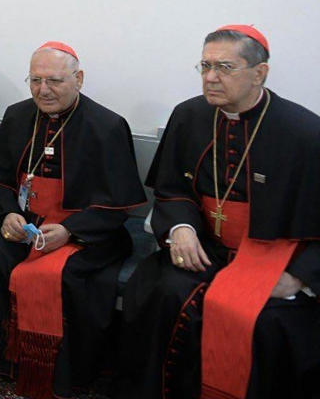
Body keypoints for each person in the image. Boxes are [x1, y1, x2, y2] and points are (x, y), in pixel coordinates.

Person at [118, 25, 320, 399]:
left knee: (267, 321)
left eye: (225, 67)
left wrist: (300, 277)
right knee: (162, 294)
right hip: (204, 248)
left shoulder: (305, 133)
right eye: (205, 66)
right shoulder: (188, 116)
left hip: (272, 258)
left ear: (260, 73)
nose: (210, 78)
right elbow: (171, 188)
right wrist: (180, 227)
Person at [0, 41, 145, 399]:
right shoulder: (17, 115)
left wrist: (70, 231)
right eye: (35, 80)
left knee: (66, 275)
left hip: (83, 231)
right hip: (25, 223)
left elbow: (119, 204)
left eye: (55, 81)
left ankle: (58, 373)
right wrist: (8, 212)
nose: (43, 90)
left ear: (79, 79)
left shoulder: (107, 126)